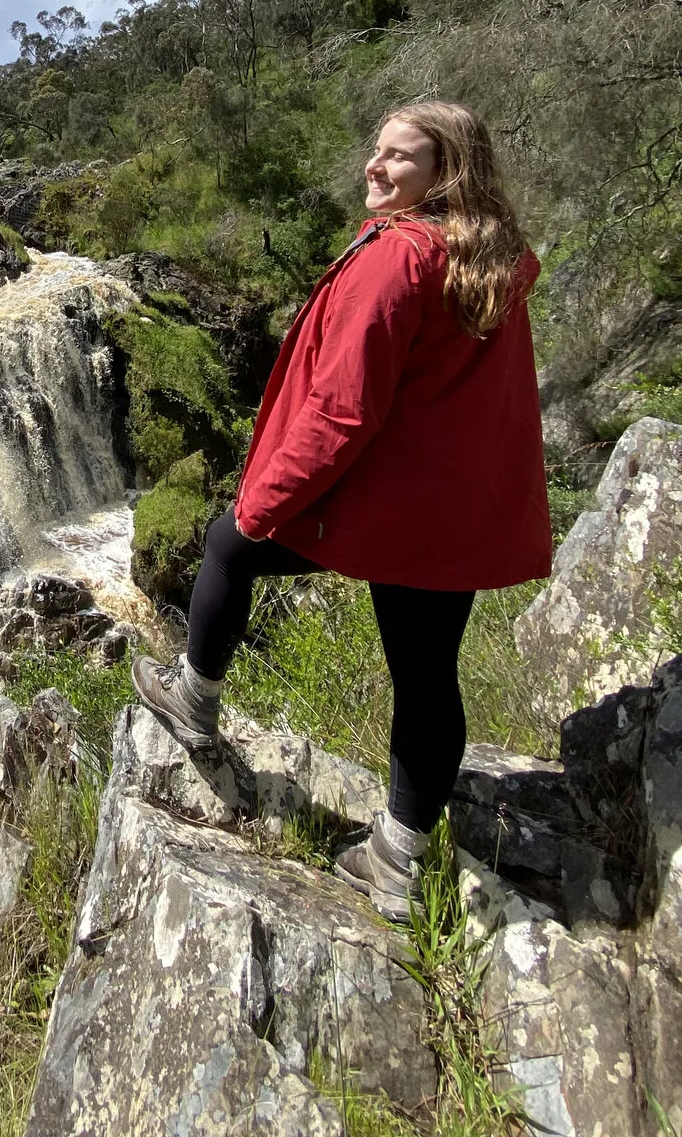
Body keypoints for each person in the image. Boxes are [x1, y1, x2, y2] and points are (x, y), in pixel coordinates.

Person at [130, 100, 553, 921]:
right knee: (428, 677)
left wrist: (264, 500)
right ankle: (397, 858)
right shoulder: (488, 261)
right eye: (377, 149)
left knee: (228, 544)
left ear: (445, 173)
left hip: (388, 506)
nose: (376, 165)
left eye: (401, 157)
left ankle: (193, 698)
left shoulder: (398, 259)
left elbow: (341, 410)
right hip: (450, 512)